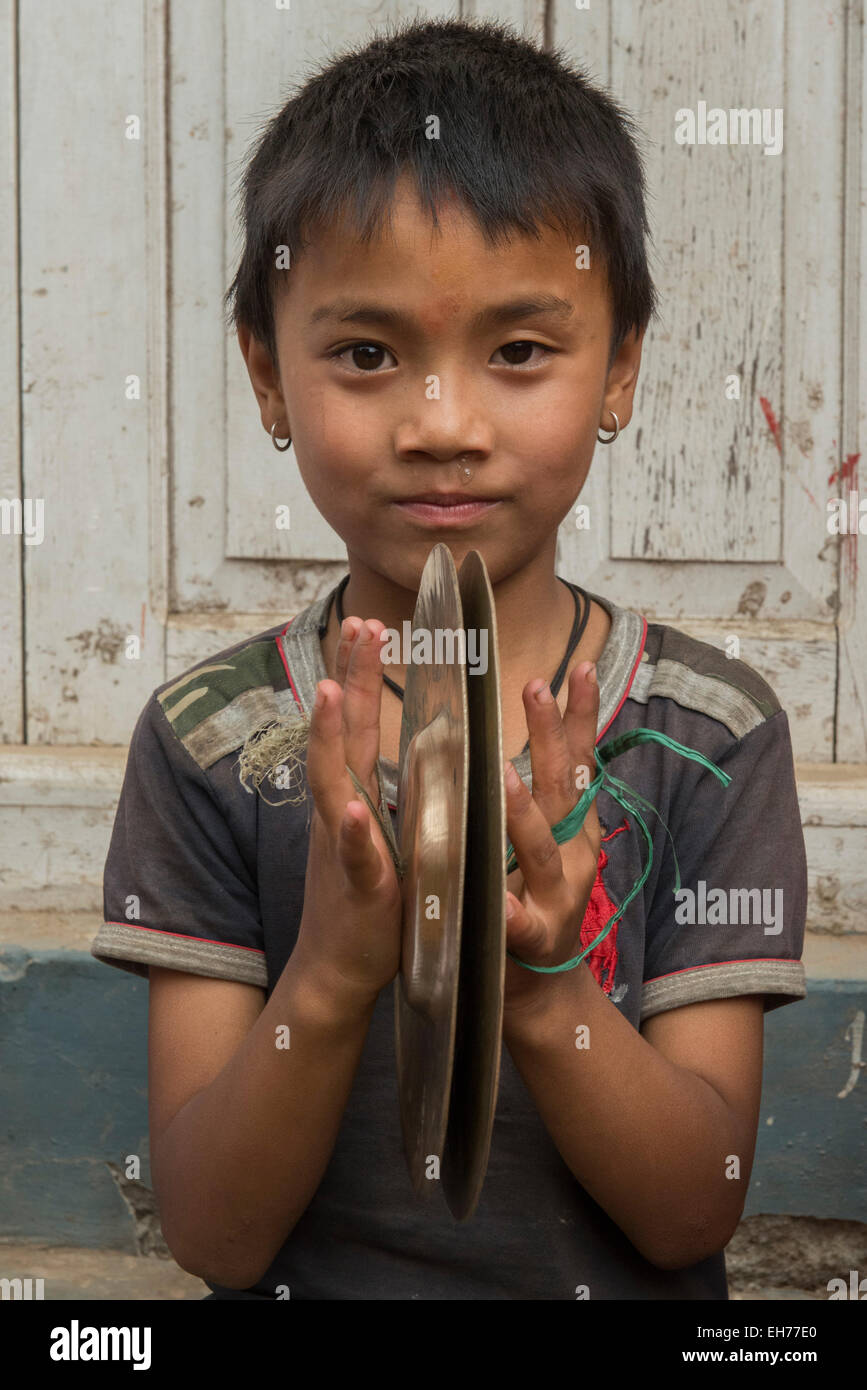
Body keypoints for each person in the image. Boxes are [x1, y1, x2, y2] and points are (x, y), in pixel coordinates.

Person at [91, 16, 806, 1299]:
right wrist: (336, 962)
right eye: (366, 355)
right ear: (267, 373)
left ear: (620, 368)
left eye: (520, 352)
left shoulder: (703, 730)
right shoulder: (215, 737)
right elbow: (212, 1232)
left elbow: (692, 1212)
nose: (445, 425)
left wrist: (540, 984)